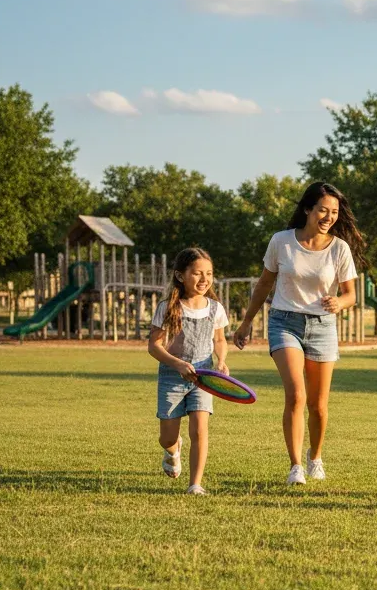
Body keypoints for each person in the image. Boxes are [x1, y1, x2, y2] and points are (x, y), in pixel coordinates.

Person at [232, 181, 362, 485]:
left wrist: (339, 302)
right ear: (307, 209)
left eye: (333, 213)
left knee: (318, 405)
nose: (328, 217)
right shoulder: (281, 241)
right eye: (322, 210)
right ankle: (295, 467)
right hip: (284, 322)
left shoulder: (339, 249)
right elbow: (264, 284)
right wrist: (247, 321)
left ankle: (315, 457)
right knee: (296, 395)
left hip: (322, 326)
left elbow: (350, 294)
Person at [147, 247, 228, 496]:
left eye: (209, 273)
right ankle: (173, 450)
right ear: (181, 276)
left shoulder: (215, 308)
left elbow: (220, 340)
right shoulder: (168, 307)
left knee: (200, 430)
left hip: (203, 378)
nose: (204, 279)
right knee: (167, 438)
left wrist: (222, 361)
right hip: (173, 376)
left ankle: (195, 484)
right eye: (197, 273)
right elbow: (154, 346)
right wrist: (178, 364)